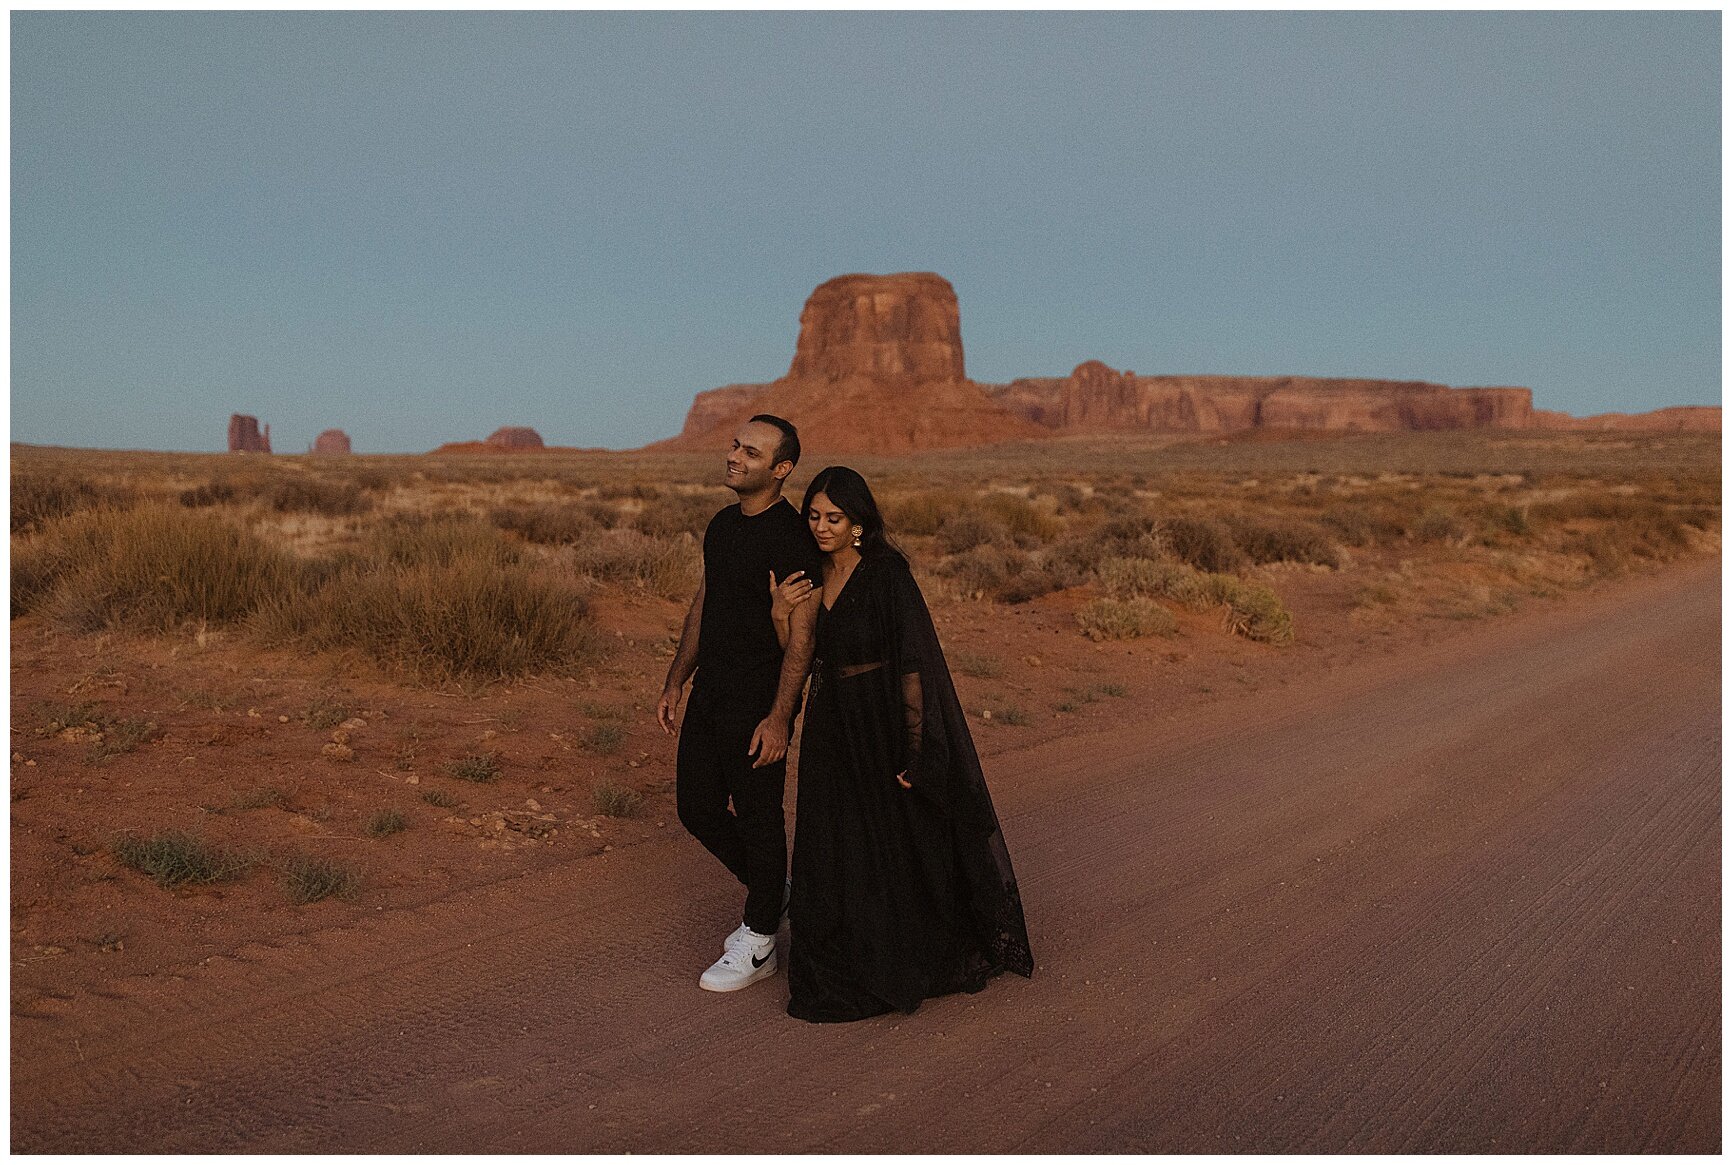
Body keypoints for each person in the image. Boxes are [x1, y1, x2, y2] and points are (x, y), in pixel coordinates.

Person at [770, 466, 1033, 1022]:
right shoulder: (810, 577)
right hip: (831, 720)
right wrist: (779, 614)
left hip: (880, 720)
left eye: (834, 518)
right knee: (828, 839)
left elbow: (913, 665)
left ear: (859, 522)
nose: (821, 527)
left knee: (884, 837)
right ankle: (835, 961)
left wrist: (917, 750)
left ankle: (897, 954)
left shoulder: (887, 573)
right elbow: (800, 654)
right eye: (814, 516)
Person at [658, 415, 823, 992]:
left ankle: (759, 941)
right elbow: (706, 604)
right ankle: (774, 893)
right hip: (711, 695)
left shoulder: (793, 539)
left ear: (781, 470)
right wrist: (678, 677)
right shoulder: (723, 526)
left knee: (759, 817)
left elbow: (802, 639)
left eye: (750, 452)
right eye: (734, 445)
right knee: (696, 808)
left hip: (759, 702)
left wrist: (780, 718)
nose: (734, 456)